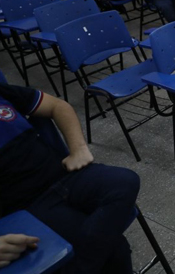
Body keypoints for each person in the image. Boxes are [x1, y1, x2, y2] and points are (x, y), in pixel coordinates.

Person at [0, 81, 140, 273]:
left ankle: (79, 268)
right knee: (116, 249)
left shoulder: (3, 90)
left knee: (126, 181)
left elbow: (58, 106)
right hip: (28, 204)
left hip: (64, 176)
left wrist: (78, 149)